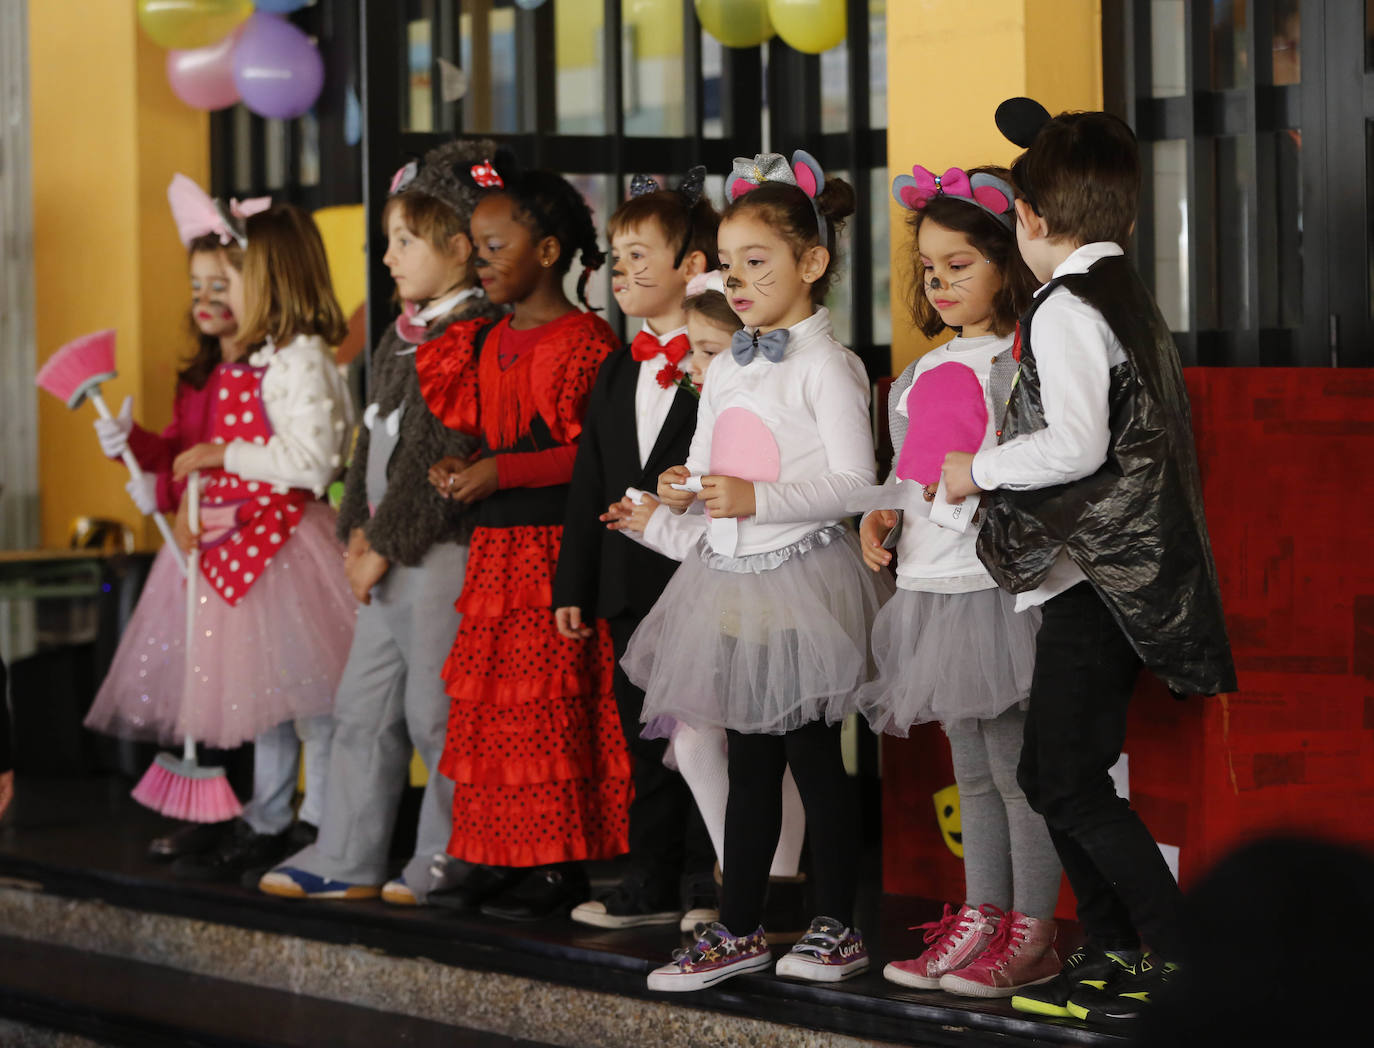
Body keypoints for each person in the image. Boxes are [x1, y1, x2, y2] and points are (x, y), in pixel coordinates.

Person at [941, 99, 1236, 1024]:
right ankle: (1113, 954)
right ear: (1128, 213)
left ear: (1026, 217)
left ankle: (1179, 964)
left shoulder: (1069, 306)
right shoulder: (1122, 292)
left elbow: (1072, 444)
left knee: (1061, 778)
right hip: (1114, 575)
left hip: (1098, 579)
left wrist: (975, 466)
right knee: (1057, 774)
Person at [624, 150, 890, 990]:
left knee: (813, 756)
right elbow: (710, 465)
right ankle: (739, 926)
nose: (736, 281)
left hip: (801, 577)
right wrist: (684, 491)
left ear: (811, 264)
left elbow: (857, 485)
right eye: (729, 264)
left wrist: (754, 498)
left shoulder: (828, 366)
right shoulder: (731, 360)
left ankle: (838, 925)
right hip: (731, 583)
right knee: (748, 761)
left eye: (757, 262)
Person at [259, 139, 503, 905]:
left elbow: (440, 447)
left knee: (438, 713)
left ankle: (448, 853)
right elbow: (372, 434)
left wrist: (384, 544)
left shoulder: (472, 332)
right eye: (389, 241)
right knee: (363, 706)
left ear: (461, 248)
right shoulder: (410, 328)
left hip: (435, 553)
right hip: (384, 553)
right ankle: (347, 852)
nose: (390, 257)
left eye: (405, 241)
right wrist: (355, 531)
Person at [857, 164, 1060, 998]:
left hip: (996, 593)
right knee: (969, 769)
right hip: (933, 591)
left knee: (1016, 772)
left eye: (960, 265)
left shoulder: (1022, 362)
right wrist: (882, 516)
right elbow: (911, 478)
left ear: (1006, 261)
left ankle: (1034, 931)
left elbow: (1037, 468)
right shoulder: (920, 372)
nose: (940, 282)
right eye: (929, 268)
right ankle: (981, 914)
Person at [417, 150, 631, 921]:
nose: (480, 262)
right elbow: (496, 438)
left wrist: (500, 473)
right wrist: (462, 465)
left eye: (495, 246)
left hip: (553, 552)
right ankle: (495, 853)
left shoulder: (587, 343)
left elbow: (594, 456)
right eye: (474, 249)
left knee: (554, 708)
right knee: (494, 712)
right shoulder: (487, 341)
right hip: (496, 555)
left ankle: (560, 863)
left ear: (548, 251)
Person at [604, 275, 809, 937]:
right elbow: (708, 538)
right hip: (718, 602)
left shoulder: (776, 406)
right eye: (693, 349)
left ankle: (773, 887)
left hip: (782, 597)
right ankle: (741, 879)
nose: (693, 366)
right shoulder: (712, 414)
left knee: (779, 750)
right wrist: (652, 522)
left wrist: (675, 517)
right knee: (694, 741)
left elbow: (767, 514)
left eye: (708, 350)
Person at [165, 202, 359, 883]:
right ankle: (270, 817)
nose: (224, 296)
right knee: (271, 699)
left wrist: (228, 453)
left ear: (269, 281)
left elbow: (312, 463)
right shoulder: (274, 358)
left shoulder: (302, 360)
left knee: (316, 704)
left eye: (235, 280)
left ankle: (322, 820)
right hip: (252, 547)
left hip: (291, 545)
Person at [551, 169, 719, 931]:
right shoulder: (620, 364)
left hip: (700, 580)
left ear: (693, 264)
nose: (623, 271)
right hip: (626, 582)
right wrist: (574, 585)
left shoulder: (722, 363)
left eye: (640, 255)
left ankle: (708, 879)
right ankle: (649, 878)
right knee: (645, 741)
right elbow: (591, 476)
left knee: (704, 739)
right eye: (616, 258)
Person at [83, 174, 258, 862]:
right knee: (202, 690)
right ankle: (210, 817)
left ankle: (246, 818)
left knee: (241, 692)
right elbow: (181, 454)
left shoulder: (265, 372)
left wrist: (175, 488)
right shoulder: (198, 375)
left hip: (243, 545)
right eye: (197, 289)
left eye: (222, 285)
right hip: (195, 551)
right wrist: (132, 443)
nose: (207, 301)